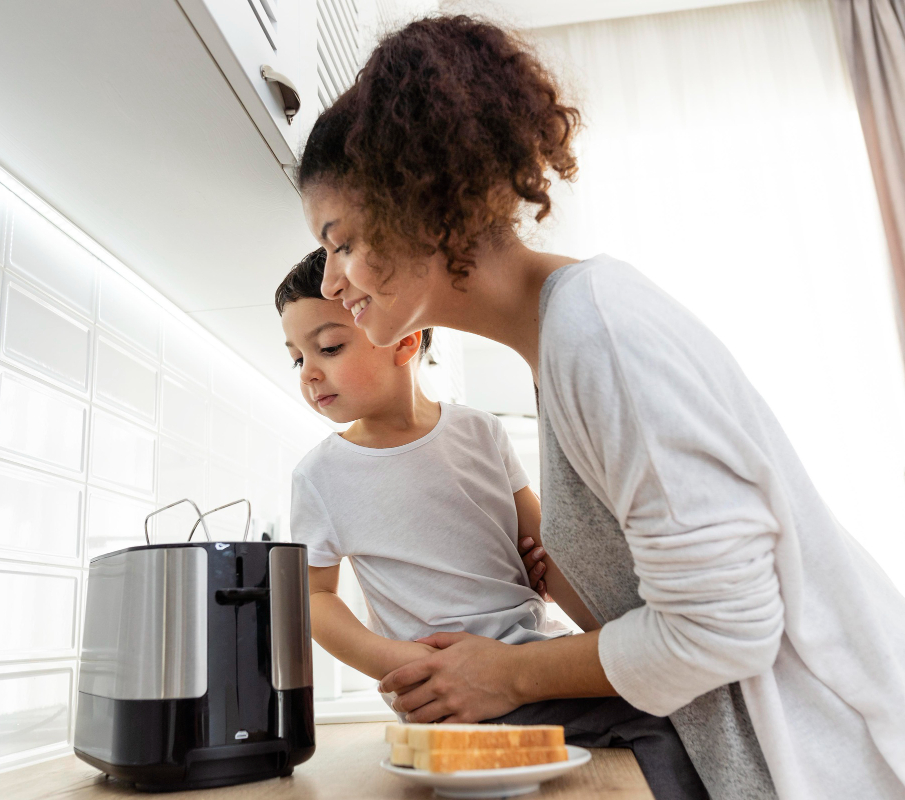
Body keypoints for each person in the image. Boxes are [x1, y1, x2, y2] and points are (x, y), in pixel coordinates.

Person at [293, 14, 905, 800]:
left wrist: (505, 674)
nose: (333, 283)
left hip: (840, 768)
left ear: (419, 201)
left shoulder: (598, 334)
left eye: (340, 242)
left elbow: (725, 629)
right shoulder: (561, 343)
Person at [277, 248, 709, 800]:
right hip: (444, 689)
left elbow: (547, 547)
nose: (310, 374)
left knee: (669, 712)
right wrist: (397, 663)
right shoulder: (320, 476)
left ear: (404, 340)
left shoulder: (480, 432)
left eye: (329, 347)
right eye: (297, 358)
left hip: (529, 657)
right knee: (659, 726)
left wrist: (604, 632)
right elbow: (312, 596)